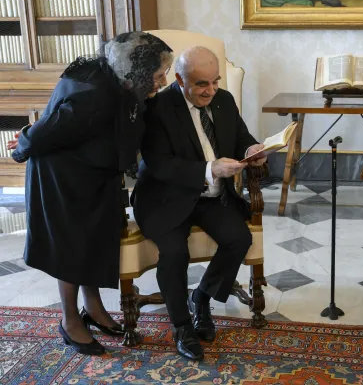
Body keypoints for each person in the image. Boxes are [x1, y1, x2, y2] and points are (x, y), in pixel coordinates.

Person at [7, 32, 174, 355]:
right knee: (72, 248)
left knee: (96, 241)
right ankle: (70, 321)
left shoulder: (119, 80)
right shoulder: (95, 93)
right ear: (136, 72)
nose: (162, 81)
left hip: (94, 174)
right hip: (64, 177)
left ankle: (94, 309)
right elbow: (53, 126)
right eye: (158, 75)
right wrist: (25, 141)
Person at [131, 46, 267, 361]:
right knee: (175, 252)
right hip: (164, 197)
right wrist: (210, 169)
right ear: (179, 79)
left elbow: (240, 138)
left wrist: (254, 151)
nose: (211, 90)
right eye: (201, 84)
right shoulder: (157, 108)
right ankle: (181, 327)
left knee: (239, 238)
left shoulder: (224, 100)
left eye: (215, 81)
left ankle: (202, 297)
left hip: (209, 196)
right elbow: (160, 164)